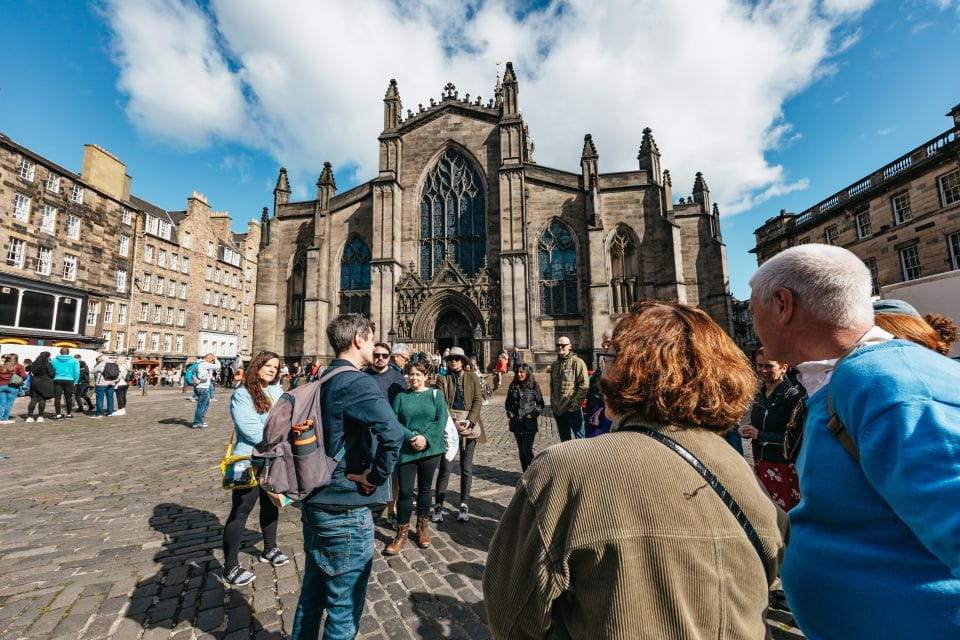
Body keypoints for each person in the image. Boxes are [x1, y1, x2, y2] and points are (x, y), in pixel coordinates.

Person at [484, 300, 787, 639]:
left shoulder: (566, 469)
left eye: (609, 357)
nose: (602, 371)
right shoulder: (748, 481)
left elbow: (511, 620)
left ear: (629, 372)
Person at [748, 244, 960, 639]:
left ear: (782, 304)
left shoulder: (890, 383)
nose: (751, 320)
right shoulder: (852, 377)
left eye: (753, 307)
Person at [290, 314, 403, 640]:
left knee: (311, 598)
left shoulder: (322, 378)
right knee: (342, 609)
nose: (374, 345)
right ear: (359, 339)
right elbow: (393, 435)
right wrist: (376, 475)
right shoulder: (357, 382)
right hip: (345, 510)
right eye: (371, 339)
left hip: (315, 502)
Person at [221, 351, 288, 587]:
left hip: (273, 457)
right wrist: (283, 436)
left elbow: (290, 419)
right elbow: (252, 431)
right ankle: (230, 566)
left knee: (272, 504)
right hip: (248, 459)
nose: (272, 370)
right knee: (241, 511)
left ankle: (270, 548)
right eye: (267, 365)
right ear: (256, 366)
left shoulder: (277, 391)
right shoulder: (242, 394)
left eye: (276, 367)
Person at [384, 362, 448, 555]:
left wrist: (425, 438)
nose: (414, 378)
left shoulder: (435, 395)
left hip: (430, 449)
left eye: (418, 374)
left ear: (425, 376)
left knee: (425, 489)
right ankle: (401, 533)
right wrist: (411, 436)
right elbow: (393, 422)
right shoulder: (401, 397)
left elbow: (440, 419)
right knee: (404, 491)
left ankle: (422, 529)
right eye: (411, 374)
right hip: (407, 449)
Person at [738, 347, 804, 511]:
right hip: (760, 464)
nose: (763, 370)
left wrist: (760, 435)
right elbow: (759, 426)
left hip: (785, 470)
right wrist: (747, 431)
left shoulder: (794, 396)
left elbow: (797, 441)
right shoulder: (759, 394)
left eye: (769, 366)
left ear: (784, 367)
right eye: (759, 366)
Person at [432, 347, 485, 523]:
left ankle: (464, 504)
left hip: (469, 426)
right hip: (449, 427)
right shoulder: (442, 378)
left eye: (457, 358)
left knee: (466, 468)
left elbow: (478, 399)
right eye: (451, 359)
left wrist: (470, 420)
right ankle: (438, 505)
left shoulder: (472, 377)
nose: (453, 361)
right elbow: (440, 402)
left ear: (463, 361)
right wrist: (452, 422)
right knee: (445, 468)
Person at [504, 363, 544, 471]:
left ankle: (535, 472)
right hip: (517, 423)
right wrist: (510, 413)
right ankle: (525, 474)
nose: (519, 374)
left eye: (521, 372)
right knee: (521, 450)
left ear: (527, 373)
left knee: (527, 450)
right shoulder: (513, 386)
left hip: (529, 423)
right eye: (517, 372)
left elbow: (540, 404)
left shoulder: (534, 386)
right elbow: (508, 403)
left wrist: (533, 414)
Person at [549, 336, 589, 441]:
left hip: (573, 409)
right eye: (558, 345)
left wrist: (575, 406)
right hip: (559, 410)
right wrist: (553, 404)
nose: (560, 347)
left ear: (570, 346)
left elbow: (584, 385)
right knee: (564, 441)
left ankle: (583, 458)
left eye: (563, 345)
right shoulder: (555, 365)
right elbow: (552, 386)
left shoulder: (578, 362)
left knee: (580, 439)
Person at [585, 330, 613, 437]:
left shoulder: (619, 366)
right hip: (597, 414)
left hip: (610, 415)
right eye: (603, 344)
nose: (605, 347)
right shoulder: (600, 366)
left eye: (609, 343)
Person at [191, 353, 221, 429]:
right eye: (212, 360)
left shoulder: (200, 363)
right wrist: (216, 359)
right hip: (202, 388)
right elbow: (218, 366)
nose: (212, 362)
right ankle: (197, 422)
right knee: (201, 406)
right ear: (209, 359)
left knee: (205, 404)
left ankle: (199, 420)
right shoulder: (204, 364)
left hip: (201, 387)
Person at [25, 352, 55, 422]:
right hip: (43, 383)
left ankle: (29, 417)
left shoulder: (34, 364)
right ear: (47, 357)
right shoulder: (47, 364)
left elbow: (26, 369)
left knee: (33, 399)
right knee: (41, 399)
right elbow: (52, 374)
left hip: (34, 383)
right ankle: (40, 417)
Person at [51, 346, 79, 419]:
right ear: (68, 352)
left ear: (60, 352)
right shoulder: (74, 361)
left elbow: (51, 371)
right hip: (69, 380)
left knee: (57, 398)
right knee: (68, 397)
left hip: (57, 379)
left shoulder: (54, 360)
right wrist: (75, 381)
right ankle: (68, 414)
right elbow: (76, 372)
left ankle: (58, 414)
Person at [0, 354, 28, 423]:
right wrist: (18, 379)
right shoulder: (19, 366)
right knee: (9, 403)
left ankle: (0, 418)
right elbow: (24, 376)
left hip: (1, 386)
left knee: (1, 403)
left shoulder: (2, 366)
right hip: (13, 386)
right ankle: (4, 419)